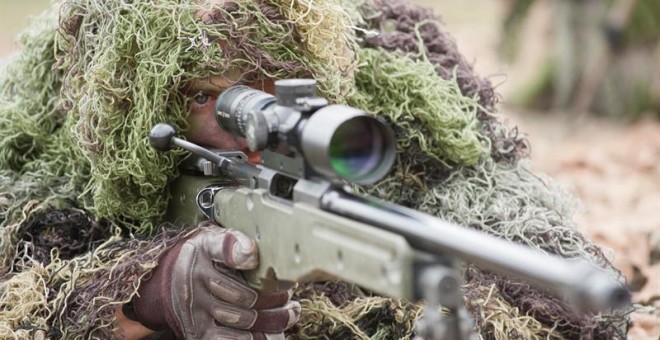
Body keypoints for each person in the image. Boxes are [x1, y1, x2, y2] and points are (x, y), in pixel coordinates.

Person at [0, 0, 629, 339]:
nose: (240, 116)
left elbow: (530, 237)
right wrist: (149, 286)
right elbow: (24, 243)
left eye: (259, 80)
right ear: (135, 113)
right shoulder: (77, 94)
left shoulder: (396, 64)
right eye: (199, 96)